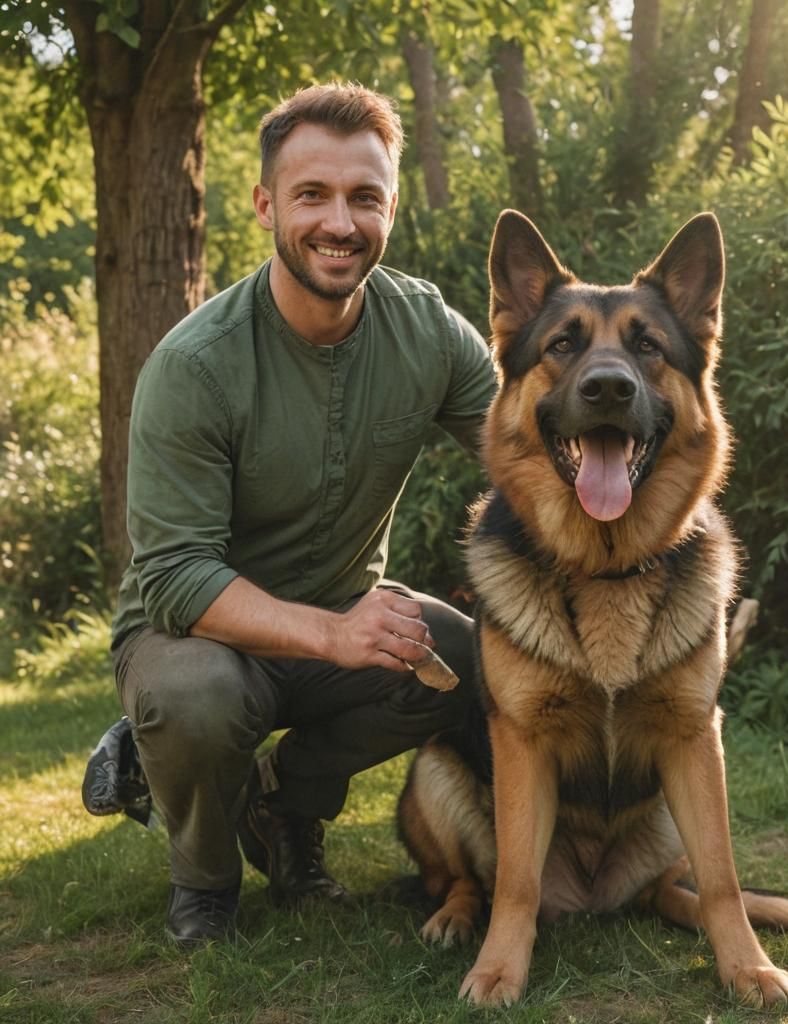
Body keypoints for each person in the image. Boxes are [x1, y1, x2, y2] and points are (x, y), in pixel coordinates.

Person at [102, 82, 496, 944]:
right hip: (191, 637)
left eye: (365, 197)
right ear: (265, 204)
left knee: (469, 657)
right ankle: (202, 881)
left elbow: (526, 454)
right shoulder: (193, 365)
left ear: (392, 207)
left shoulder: (429, 332)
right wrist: (330, 635)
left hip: (340, 621)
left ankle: (280, 808)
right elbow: (173, 575)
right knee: (200, 696)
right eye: (312, 194)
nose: (340, 223)